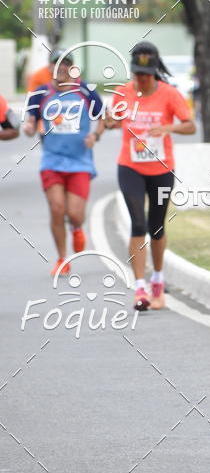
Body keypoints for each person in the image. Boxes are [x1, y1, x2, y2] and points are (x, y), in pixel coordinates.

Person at [107, 42, 196, 311]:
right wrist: (109, 120)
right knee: (137, 224)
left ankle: (157, 279)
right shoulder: (123, 93)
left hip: (161, 168)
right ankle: (139, 288)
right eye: (137, 74)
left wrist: (167, 128)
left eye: (145, 74)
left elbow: (190, 126)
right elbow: (112, 121)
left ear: (154, 71)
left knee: (156, 226)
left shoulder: (169, 94)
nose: (141, 79)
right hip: (130, 166)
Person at [24, 51, 104, 276]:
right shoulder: (40, 94)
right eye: (55, 66)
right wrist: (29, 128)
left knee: (75, 214)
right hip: (52, 160)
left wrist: (95, 137)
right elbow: (30, 123)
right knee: (57, 209)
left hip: (80, 162)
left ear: (71, 69)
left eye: (65, 66)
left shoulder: (85, 91)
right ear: (49, 69)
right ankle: (62, 259)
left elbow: (102, 119)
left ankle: (77, 228)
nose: (60, 70)